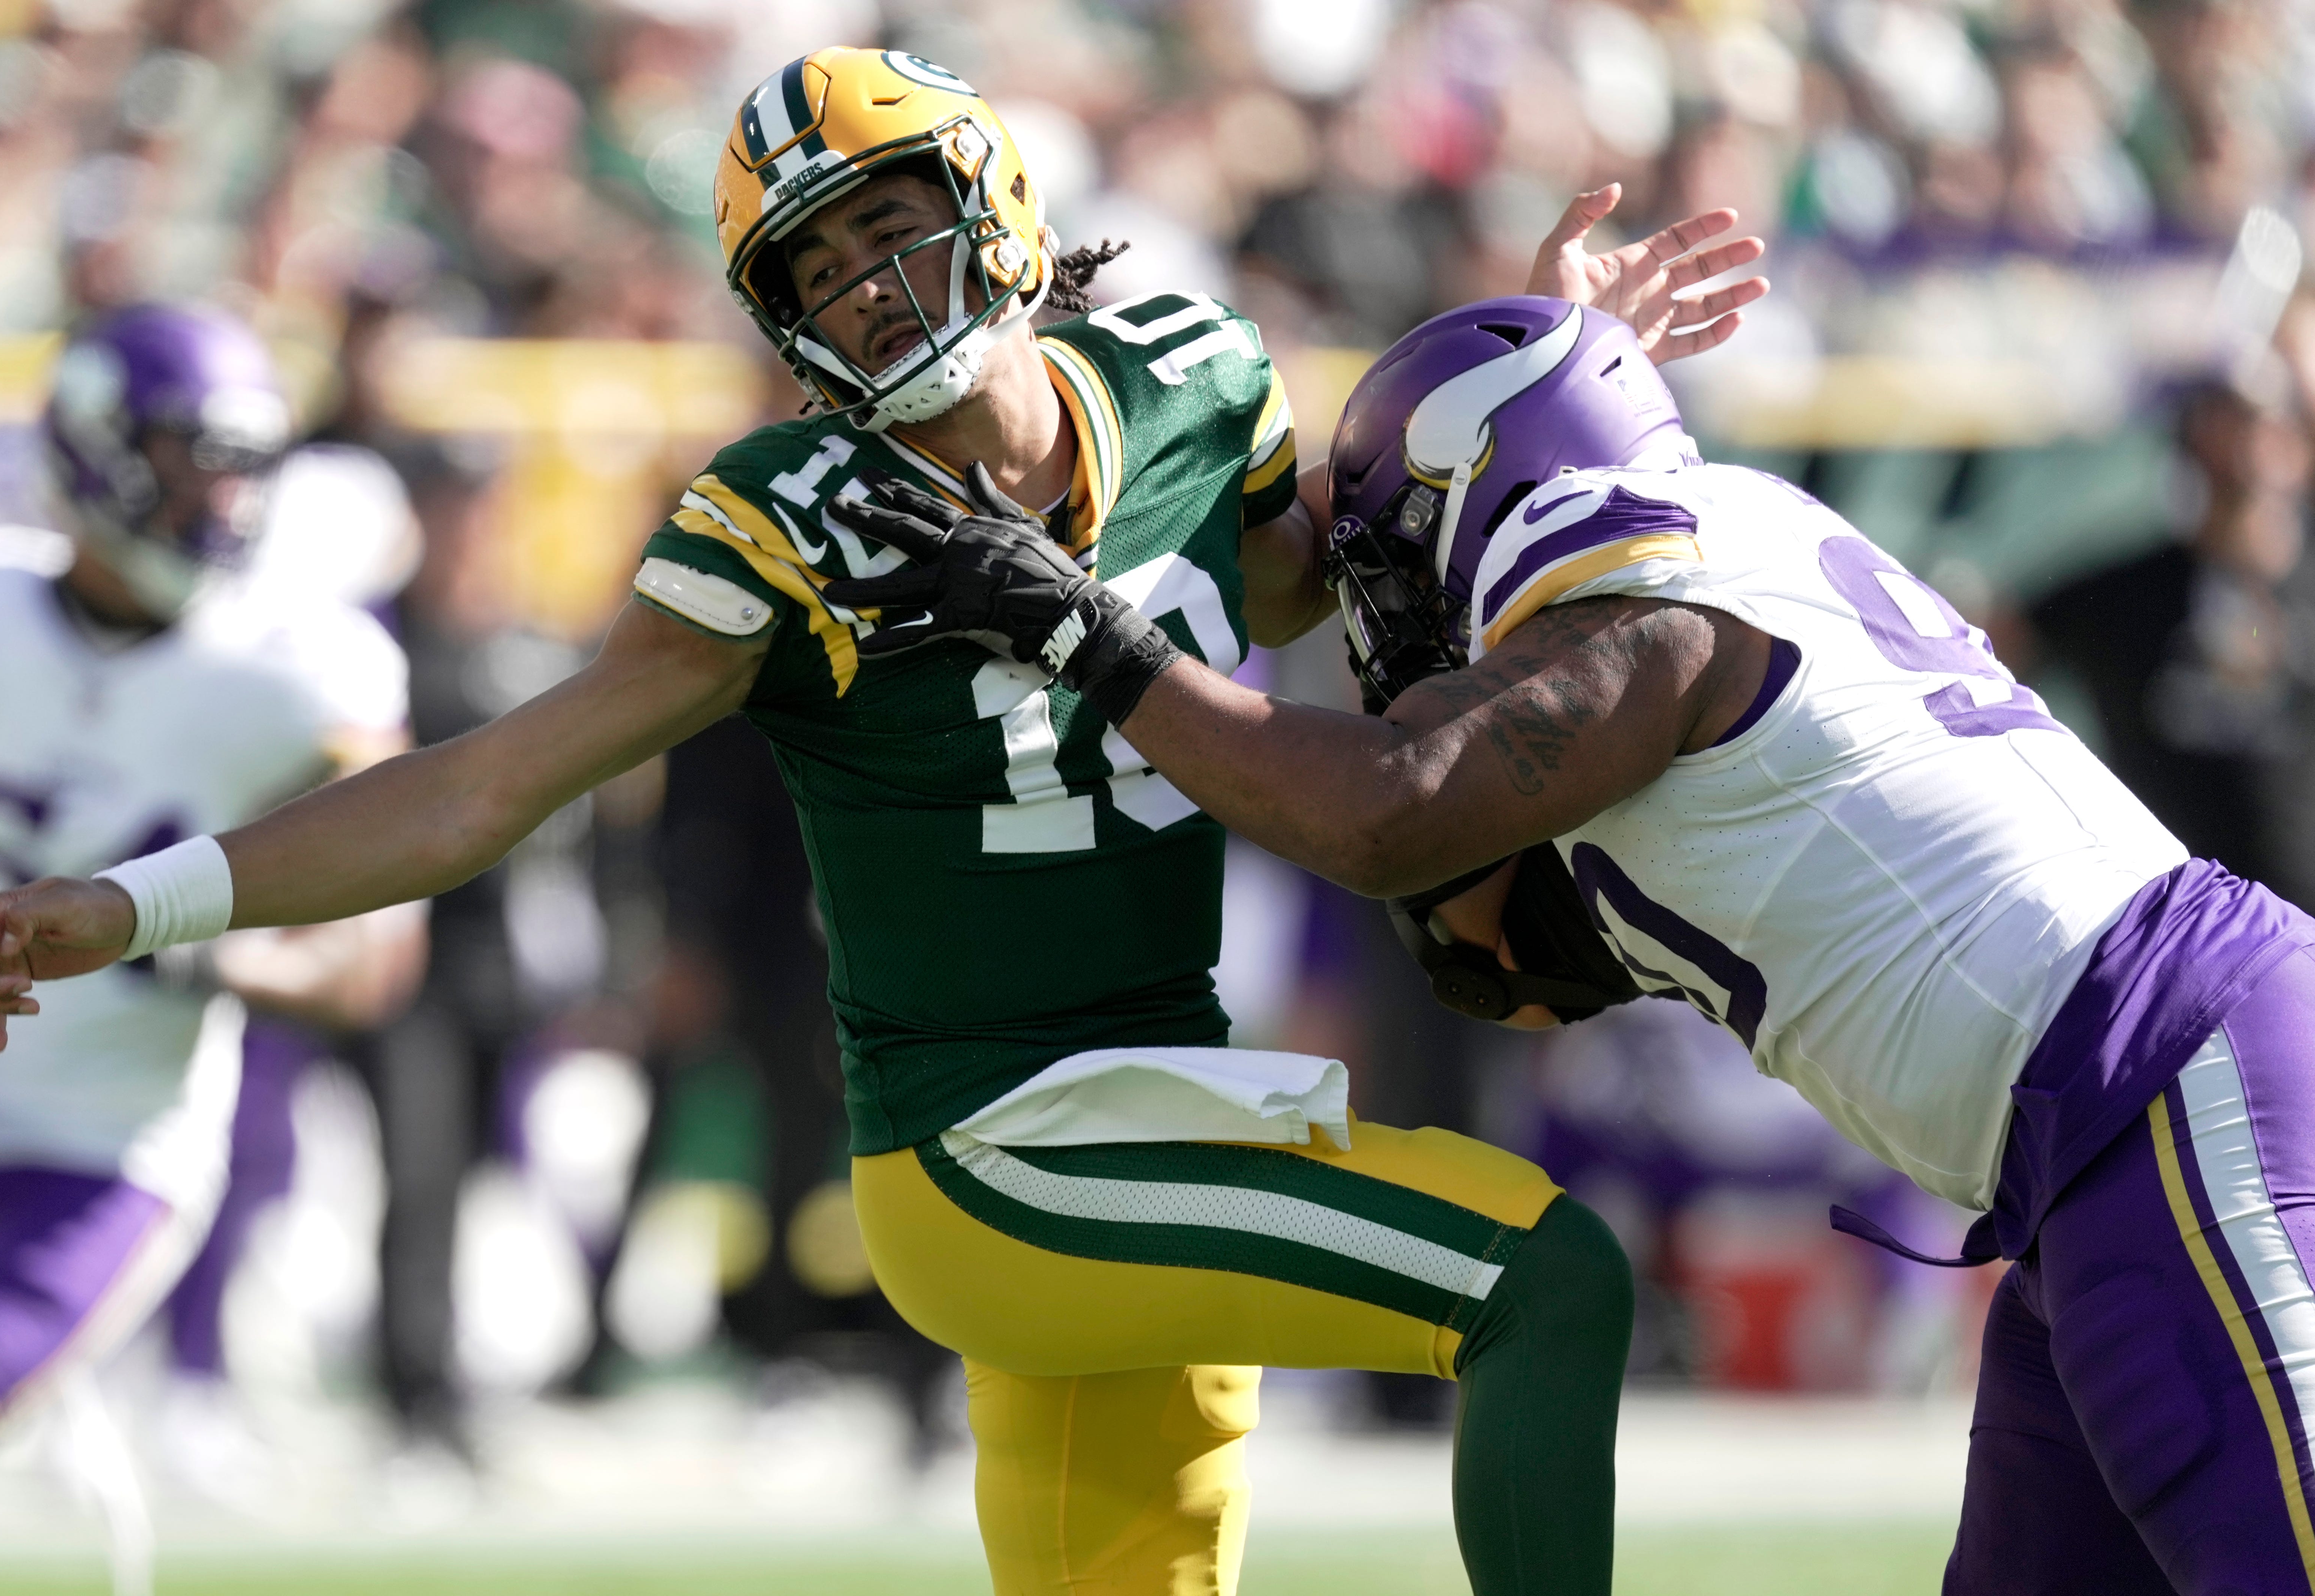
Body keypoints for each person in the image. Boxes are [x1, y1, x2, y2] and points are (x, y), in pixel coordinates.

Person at [0, 49, 1764, 1595]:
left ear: (995, 202)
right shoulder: (788, 517)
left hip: (1163, 1097)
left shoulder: (1190, 376)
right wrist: (140, 903)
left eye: (890, 223)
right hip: (996, 1149)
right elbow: (486, 782)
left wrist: (1539, 370)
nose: (871, 284)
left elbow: (1305, 583)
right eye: (817, 265)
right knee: (1544, 1280)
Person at [806, 293, 2315, 1594]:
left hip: (2165, 1081)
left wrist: (1093, 638)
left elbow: (1388, 814)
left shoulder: (1656, 622)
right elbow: (1492, 961)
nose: (1398, 612)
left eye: (1407, 556)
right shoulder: (1722, 544)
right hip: (2099, 1135)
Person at [0, 303, 426, 1539]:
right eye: (188, 460)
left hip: (107, 1158)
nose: (220, 498)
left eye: (241, 465)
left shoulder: (306, 667)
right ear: (93, 449)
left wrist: (178, 937)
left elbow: (372, 966)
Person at [2026, 372, 2315, 906]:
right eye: (2234, 423)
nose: (2253, 450)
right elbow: (1995, 640)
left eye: (2272, 426)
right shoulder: (2121, 596)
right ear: (2195, 440)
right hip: (2170, 919)